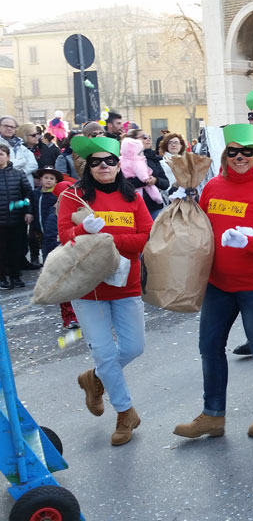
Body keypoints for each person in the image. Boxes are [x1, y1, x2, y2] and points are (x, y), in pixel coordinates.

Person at [174, 124, 253, 441]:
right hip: (218, 284)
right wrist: (182, 209)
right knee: (209, 347)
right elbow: (202, 229)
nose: (239, 157)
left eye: (246, 152)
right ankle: (213, 415)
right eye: (233, 152)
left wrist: (251, 242)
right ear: (225, 156)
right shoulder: (213, 187)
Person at [58, 135, 153, 446]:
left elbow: (146, 235)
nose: (103, 166)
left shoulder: (133, 197)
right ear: (88, 165)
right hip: (88, 289)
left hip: (126, 284)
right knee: (103, 350)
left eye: (109, 161)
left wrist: (108, 240)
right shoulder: (74, 197)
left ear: (118, 165)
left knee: (133, 347)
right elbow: (64, 238)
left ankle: (95, 378)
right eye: (96, 161)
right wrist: (85, 229)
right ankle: (125, 412)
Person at [41, 180, 79, 329]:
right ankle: (70, 318)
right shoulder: (54, 217)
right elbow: (50, 241)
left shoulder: (78, 211)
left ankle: (81, 316)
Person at [0, 144, 33, 289]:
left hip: (17, 219)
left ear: (8, 156)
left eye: (1, 154)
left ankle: (15, 276)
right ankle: (2, 278)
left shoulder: (18, 174)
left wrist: (28, 211)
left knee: (16, 249)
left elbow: (28, 193)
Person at [123, 129, 169, 219]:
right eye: (144, 137)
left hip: (154, 206)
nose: (148, 139)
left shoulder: (153, 158)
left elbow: (166, 183)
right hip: (132, 206)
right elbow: (123, 183)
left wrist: (156, 180)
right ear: (132, 140)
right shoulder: (124, 159)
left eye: (149, 137)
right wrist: (145, 180)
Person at [0, 116, 37, 188]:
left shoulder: (20, 145)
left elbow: (33, 165)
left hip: (24, 188)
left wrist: (18, 173)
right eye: (6, 126)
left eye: (12, 127)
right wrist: (22, 161)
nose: (9, 128)